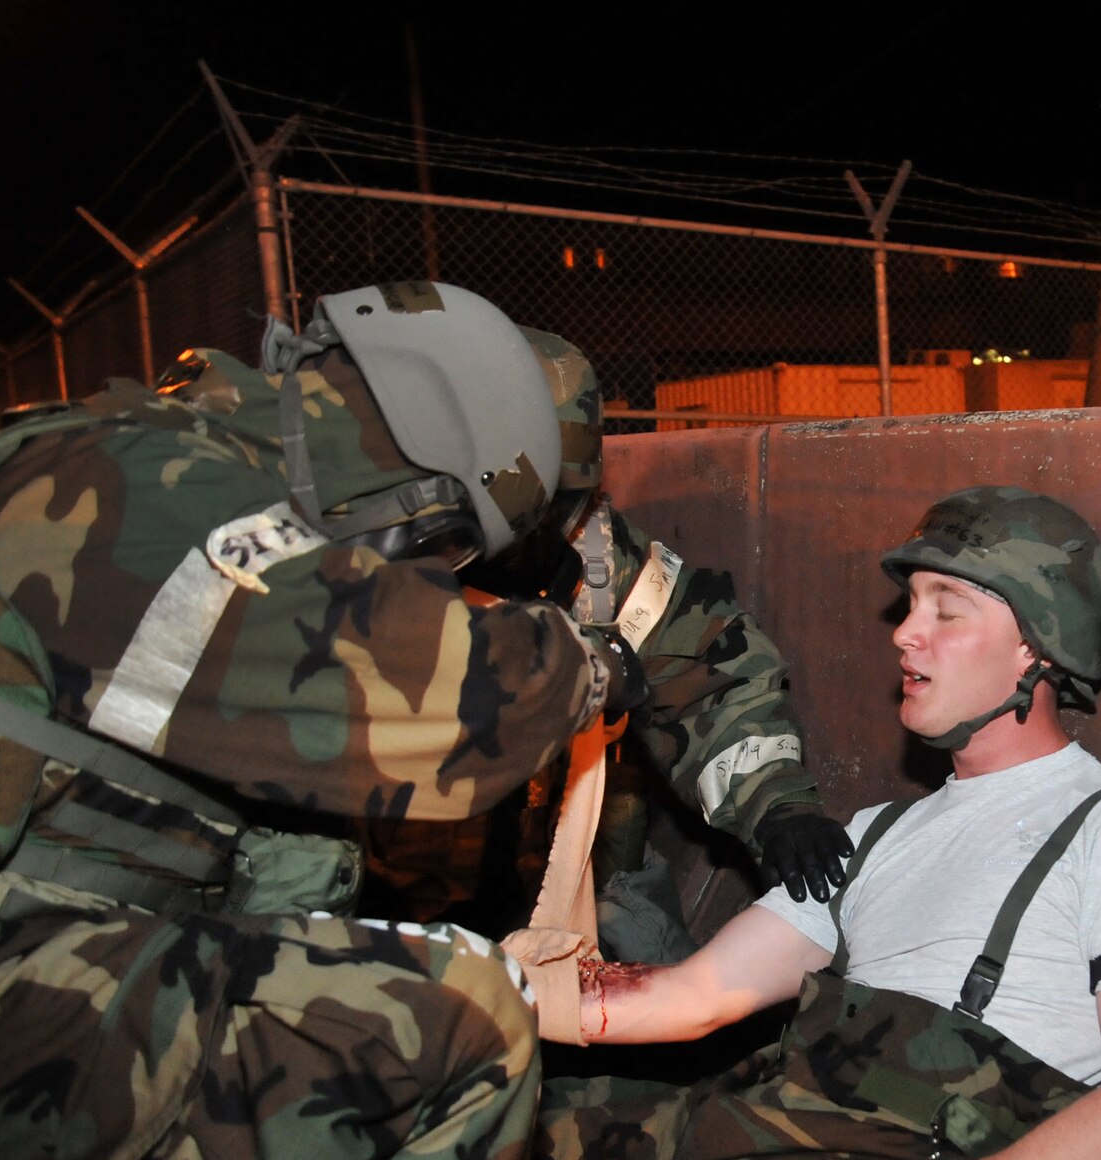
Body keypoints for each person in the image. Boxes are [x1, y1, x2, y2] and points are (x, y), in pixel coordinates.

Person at [0, 280, 646, 1160]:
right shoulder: (120, 477)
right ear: (414, 481)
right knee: (439, 1030)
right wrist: (588, 669)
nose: (429, 572)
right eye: (445, 545)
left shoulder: (170, 472)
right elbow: (445, 701)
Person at [493, 485, 1101, 1160]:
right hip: (741, 1121)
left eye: (946, 611)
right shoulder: (879, 831)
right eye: (909, 605)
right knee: (420, 1159)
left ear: (1038, 648)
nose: (905, 633)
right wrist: (460, 986)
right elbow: (692, 998)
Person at [358, 328, 853, 959]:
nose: (533, 525)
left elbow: (703, 672)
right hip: (358, 899)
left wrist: (777, 803)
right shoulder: (331, 562)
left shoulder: (593, 558)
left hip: (554, 888)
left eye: (553, 502)